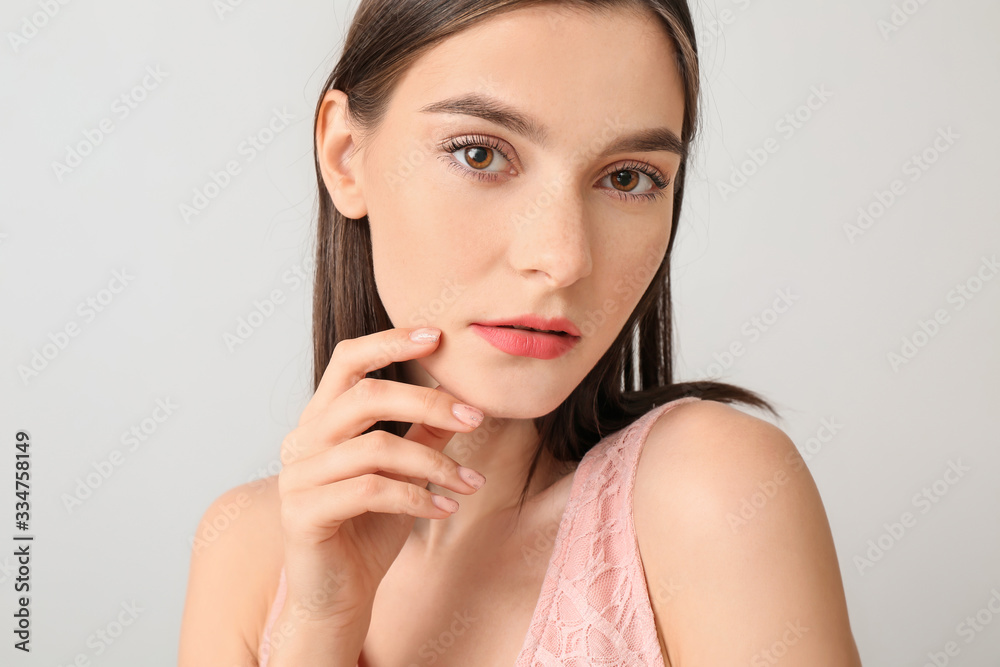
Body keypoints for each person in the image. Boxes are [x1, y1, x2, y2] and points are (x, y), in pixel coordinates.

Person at [179, 1, 862, 665]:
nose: (563, 257)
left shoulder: (713, 493)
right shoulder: (247, 550)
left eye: (628, 177)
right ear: (346, 153)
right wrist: (317, 626)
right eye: (480, 154)